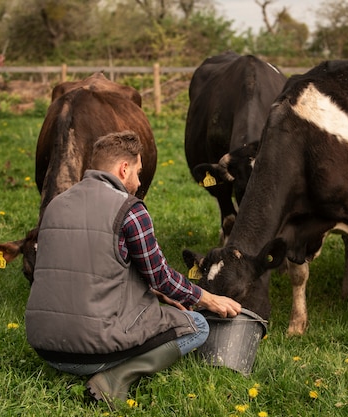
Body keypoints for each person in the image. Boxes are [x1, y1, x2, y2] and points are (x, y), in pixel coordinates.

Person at [25, 130, 242, 407]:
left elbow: (94, 264)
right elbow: (161, 276)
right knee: (197, 325)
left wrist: (159, 292)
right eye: (138, 172)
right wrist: (209, 298)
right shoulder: (130, 209)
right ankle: (115, 378)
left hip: (45, 348)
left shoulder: (56, 204)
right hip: (92, 353)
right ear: (123, 168)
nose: (139, 182)